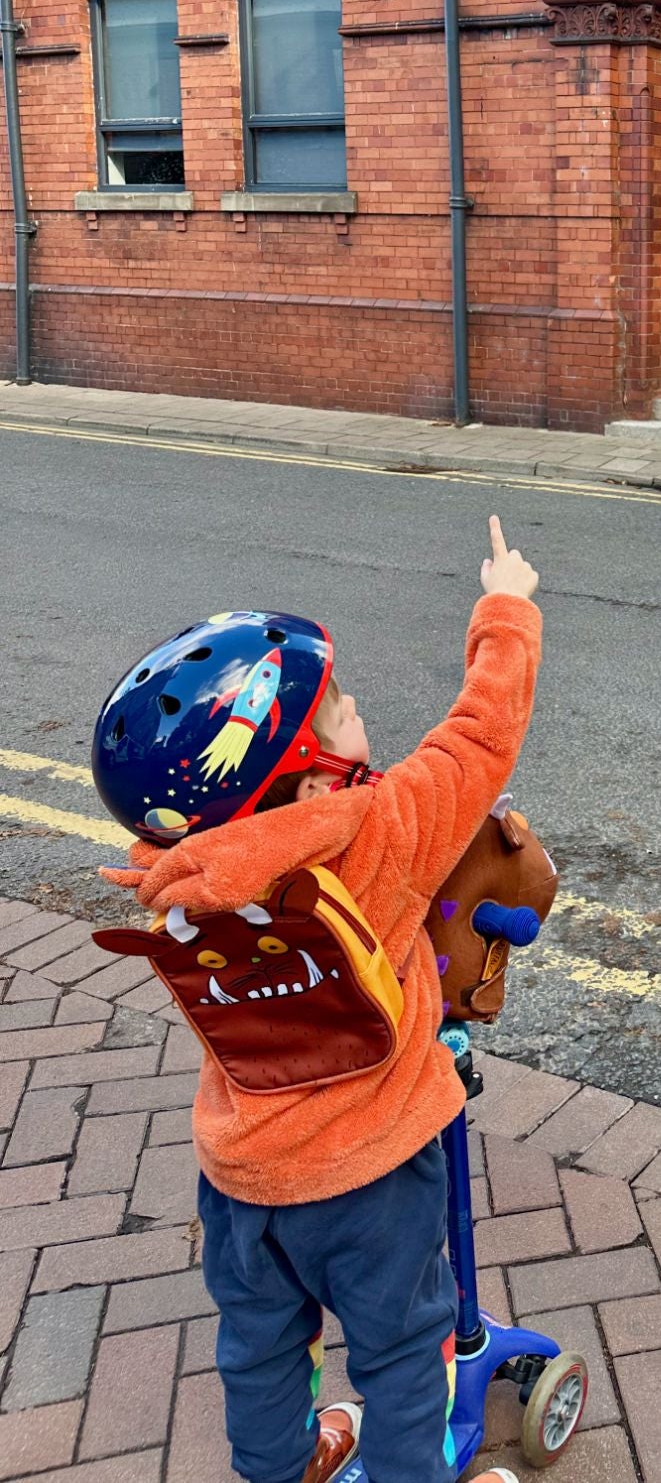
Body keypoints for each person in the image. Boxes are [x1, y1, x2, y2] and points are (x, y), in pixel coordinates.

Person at [91, 517, 539, 1483]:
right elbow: (479, 736)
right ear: (303, 766)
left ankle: (284, 1466)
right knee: (402, 1355)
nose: (353, 705)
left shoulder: (172, 874)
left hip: (242, 1176)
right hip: (373, 1175)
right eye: (335, 706)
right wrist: (506, 606)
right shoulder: (378, 832)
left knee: (258, 1346)